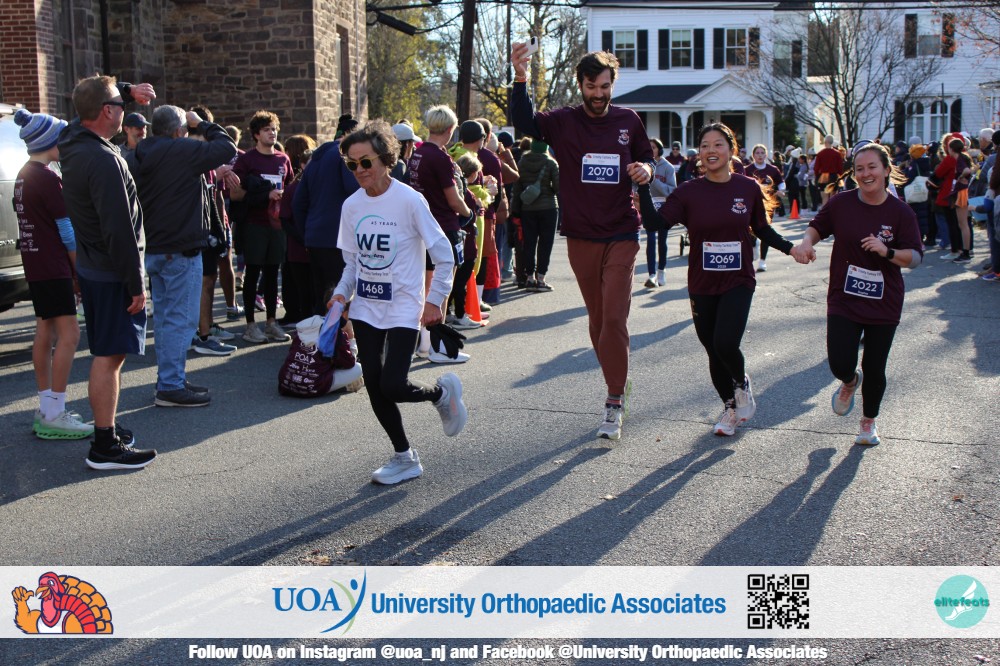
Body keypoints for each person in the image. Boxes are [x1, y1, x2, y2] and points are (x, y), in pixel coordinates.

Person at [511, 44, 655, 441]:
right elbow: (523, 121)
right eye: (591, 87)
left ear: (613, 85)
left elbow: (647, 156)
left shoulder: (628, 120)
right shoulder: (563, 121)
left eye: (605, 87)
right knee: (597, 321)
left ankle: (614, 400)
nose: (598, 94)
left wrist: (646, 169)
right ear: (581, 85)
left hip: (622, 231)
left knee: (614, 318)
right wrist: (521, 78)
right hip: (581, 235)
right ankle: (617, 378)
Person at [638, 123, 799, 437]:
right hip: (702, 282)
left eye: (718, 145)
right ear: (699, 153)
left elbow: (762, 229)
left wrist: (792, 248)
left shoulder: (748, 188)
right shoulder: (688, 192)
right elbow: (656, 223)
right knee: (712, 348)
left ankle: (741, 384)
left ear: (731, 150)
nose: (711, 151)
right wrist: (643, 187)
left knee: (725, 342)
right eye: (705, 146)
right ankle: (730, 407)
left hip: (738, 279)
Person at [331, 120, 467, 485]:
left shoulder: (409, 200)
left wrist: (435, 300)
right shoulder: (352, 206)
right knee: (375, 386)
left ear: (385, 158)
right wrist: (341, 294)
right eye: (352, 164)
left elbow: (444, 255)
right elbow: (352, 264)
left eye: (366, 162)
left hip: (405, 306)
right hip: (366, 307)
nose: (359, 170)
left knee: (393, 385)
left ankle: (440, 393)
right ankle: (404, 457)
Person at [791, 142, 923, 445]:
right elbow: (817, 226)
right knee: (839, 362)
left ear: (886, 170)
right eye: (859, 169)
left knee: (875, 367)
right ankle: (850, 381)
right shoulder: (842, 203)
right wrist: (807, 242)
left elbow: (915, 258)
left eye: (872, 167)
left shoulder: (901, 213)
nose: (865, 174)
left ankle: (868, 422)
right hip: (845, 296)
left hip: (884, 301)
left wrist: (887, 251)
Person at [58, 75, 158, 469]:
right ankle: (104, 445)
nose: (125, 110)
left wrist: (126, 91)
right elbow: (119, 229)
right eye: (120, 104)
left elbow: (83, 105)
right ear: (106, 111)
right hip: (111, 271)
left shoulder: (72, 140)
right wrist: (136, 284)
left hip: (94, 266)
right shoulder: (103, 159)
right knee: (109, 357)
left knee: (105, 353)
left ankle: (107, 428)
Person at [129, 106, 237, 406]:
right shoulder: (181, 149)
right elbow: (227, 147)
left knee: (166, 320)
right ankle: (170, 385)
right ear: (179, 131)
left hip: (155, 247)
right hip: (179, 249)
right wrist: (202, 123)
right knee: (180, 321)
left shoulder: (140, 152)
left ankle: (170, 379)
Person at [13, 109, 93, 440]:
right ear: (51, 143)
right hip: (54, 265)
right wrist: (80, 269)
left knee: (44, 331)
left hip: (36, 265)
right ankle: (55, 412)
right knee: (70, 335)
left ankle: (47, 406)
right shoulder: (49, 178)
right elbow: (67, 231)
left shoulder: (24, 175)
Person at [407, 105, 474, 362]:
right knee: (441, 287)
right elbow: (453, 199)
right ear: (450, 129)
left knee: (426, 287)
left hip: (421, 226)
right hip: (444, 225)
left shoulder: (418, 153)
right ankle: (438, 347)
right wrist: (469, 213)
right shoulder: (439, 157)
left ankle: (425, 345)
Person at [231, 110, 293, 343]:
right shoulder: (247, 160)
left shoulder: (283, 159)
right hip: (254, 224)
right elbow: (235, 194)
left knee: (272, 275)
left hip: (276, 225)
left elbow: (289, 187)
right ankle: (250, 325)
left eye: (274, 129)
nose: (272, 133)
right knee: (253, 273)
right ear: (256, 134)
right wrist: (264, 194)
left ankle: (270, 323)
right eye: (267, 129)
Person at [292, 114, 359, 317]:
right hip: (338, 239)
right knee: (340, 297)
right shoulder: (344, 156)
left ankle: (322, 337)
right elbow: (354, 190)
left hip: (315, 239)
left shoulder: (314, 160)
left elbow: (298, 203)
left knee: (322, 297)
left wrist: (306, 234)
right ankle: (337, 337)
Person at [510, 139, 560, 291]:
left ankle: (529, 278)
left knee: (529, 243)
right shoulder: (551, 163)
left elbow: (517, 188)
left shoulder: (522, 162)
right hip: (548, 207)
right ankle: (541, 278)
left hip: (527, 208)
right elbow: (558, 187)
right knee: (546, 243)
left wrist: (515, 209)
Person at [642, 137, 676, 287]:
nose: (651, 150)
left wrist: (654, 179)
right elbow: (637, 185)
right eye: (649, 148)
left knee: (662, 240)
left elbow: (672, 190)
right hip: (648, 206)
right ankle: (651, 275)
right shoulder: (643, 166)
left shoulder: (668, 167)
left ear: (659, 150)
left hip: (664, 207)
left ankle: (661, 271)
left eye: (654, 148)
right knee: (650, 240)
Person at [746, 144, 785, 272]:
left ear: (766, 155)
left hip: (768, 205)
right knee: (751, 229)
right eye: (757, 153)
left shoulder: (772, 170)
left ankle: (762, 261)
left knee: (765, 229)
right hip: (752, 204)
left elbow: (781, 183)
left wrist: (781, 190)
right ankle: (753, 246)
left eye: (762, 153)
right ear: (753, 155)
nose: (760, 155)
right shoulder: (748, 170)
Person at [814, 135, 843, 207]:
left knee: (824, 197)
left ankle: (825, 212)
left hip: (823, 177)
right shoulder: (837, 154)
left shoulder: (820, 153)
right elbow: (840, 168)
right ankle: (833, 212)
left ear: (825, 142)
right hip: (834, 176)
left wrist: (817, 177)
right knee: (833, 196)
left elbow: (816, 168)